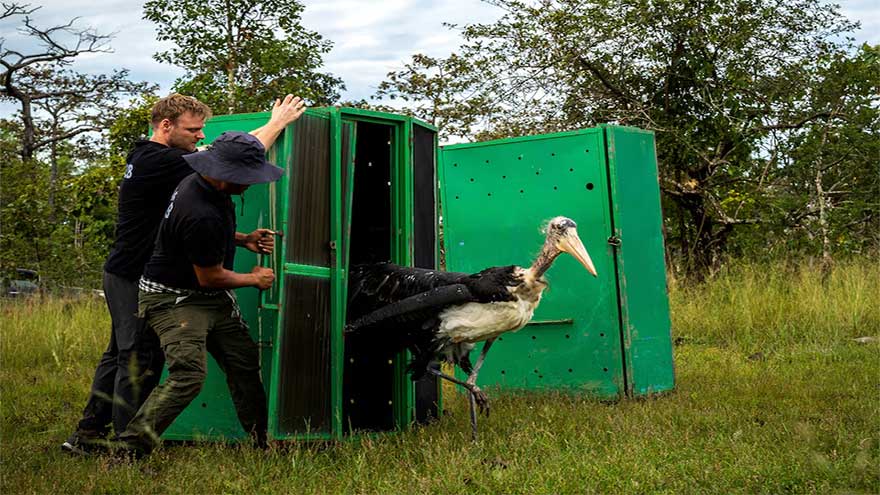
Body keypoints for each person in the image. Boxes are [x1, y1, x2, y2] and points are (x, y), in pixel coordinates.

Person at [62, 93, 305, 455]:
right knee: (137, 358)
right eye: (193, 129)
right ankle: (121, 443)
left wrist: (238, 239)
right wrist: (277, 123)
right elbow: (234, 159)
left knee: (121, 355)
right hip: (133, 273)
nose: (200, 136)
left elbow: (184, 224)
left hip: (130, 267)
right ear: (165, 126)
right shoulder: (164, 161)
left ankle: (89, 434)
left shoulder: (149, 156)